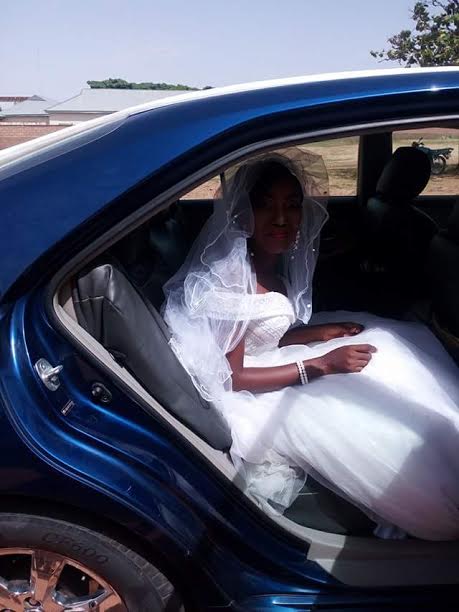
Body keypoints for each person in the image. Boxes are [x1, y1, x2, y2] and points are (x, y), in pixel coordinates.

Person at [163, 147, 459, 541]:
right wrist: (320, 366)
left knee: (387, 348)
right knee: (377, 406)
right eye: (266, 206)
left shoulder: (267, 261)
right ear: (242, 213)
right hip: (248, 394)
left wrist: (319, 333)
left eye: (292, 205)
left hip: (270, 361)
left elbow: (258, 336)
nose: (281, 219)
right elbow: (231, 376)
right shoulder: (232, 275)